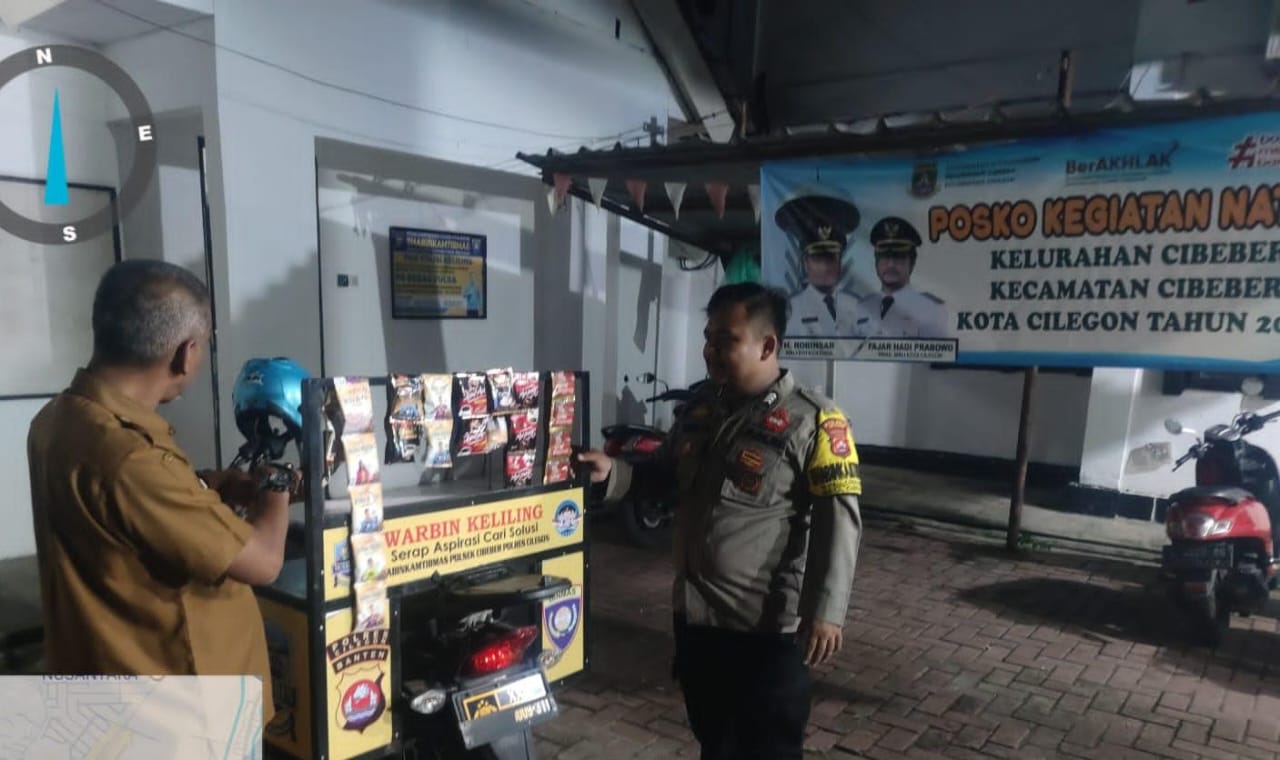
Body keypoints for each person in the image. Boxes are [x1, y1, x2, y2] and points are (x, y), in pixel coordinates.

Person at [577, 283, 863, 760]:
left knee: (765, 749)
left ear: (767, 346)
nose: (710, 350)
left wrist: (826, 611)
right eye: (708, 338)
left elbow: (840, 521)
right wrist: (614, 474)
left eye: (726, 340)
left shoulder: (814, 421)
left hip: (763, 631)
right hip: (696, 620)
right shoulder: (701, 410)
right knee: (715, 742)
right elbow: (663, 476)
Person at [26, 260, 291, 722]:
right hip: (180, 716)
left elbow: (120, 513)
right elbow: (264, 562)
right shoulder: (133, 458)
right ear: (185, 353)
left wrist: (206, 485)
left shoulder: (58, 419)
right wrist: (278, 485)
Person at [776, 193, 863, 337]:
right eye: (817, 258)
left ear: (840, 261)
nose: (825, 266)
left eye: (831, 258)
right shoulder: (790, 310)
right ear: (805, 263)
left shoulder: (856, 306)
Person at [854, 216, 949, 338]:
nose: (891, 264)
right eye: (884, 257)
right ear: (876, 262)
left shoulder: (931, 308)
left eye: (898, 257)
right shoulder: (862, 305)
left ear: (912, 262)